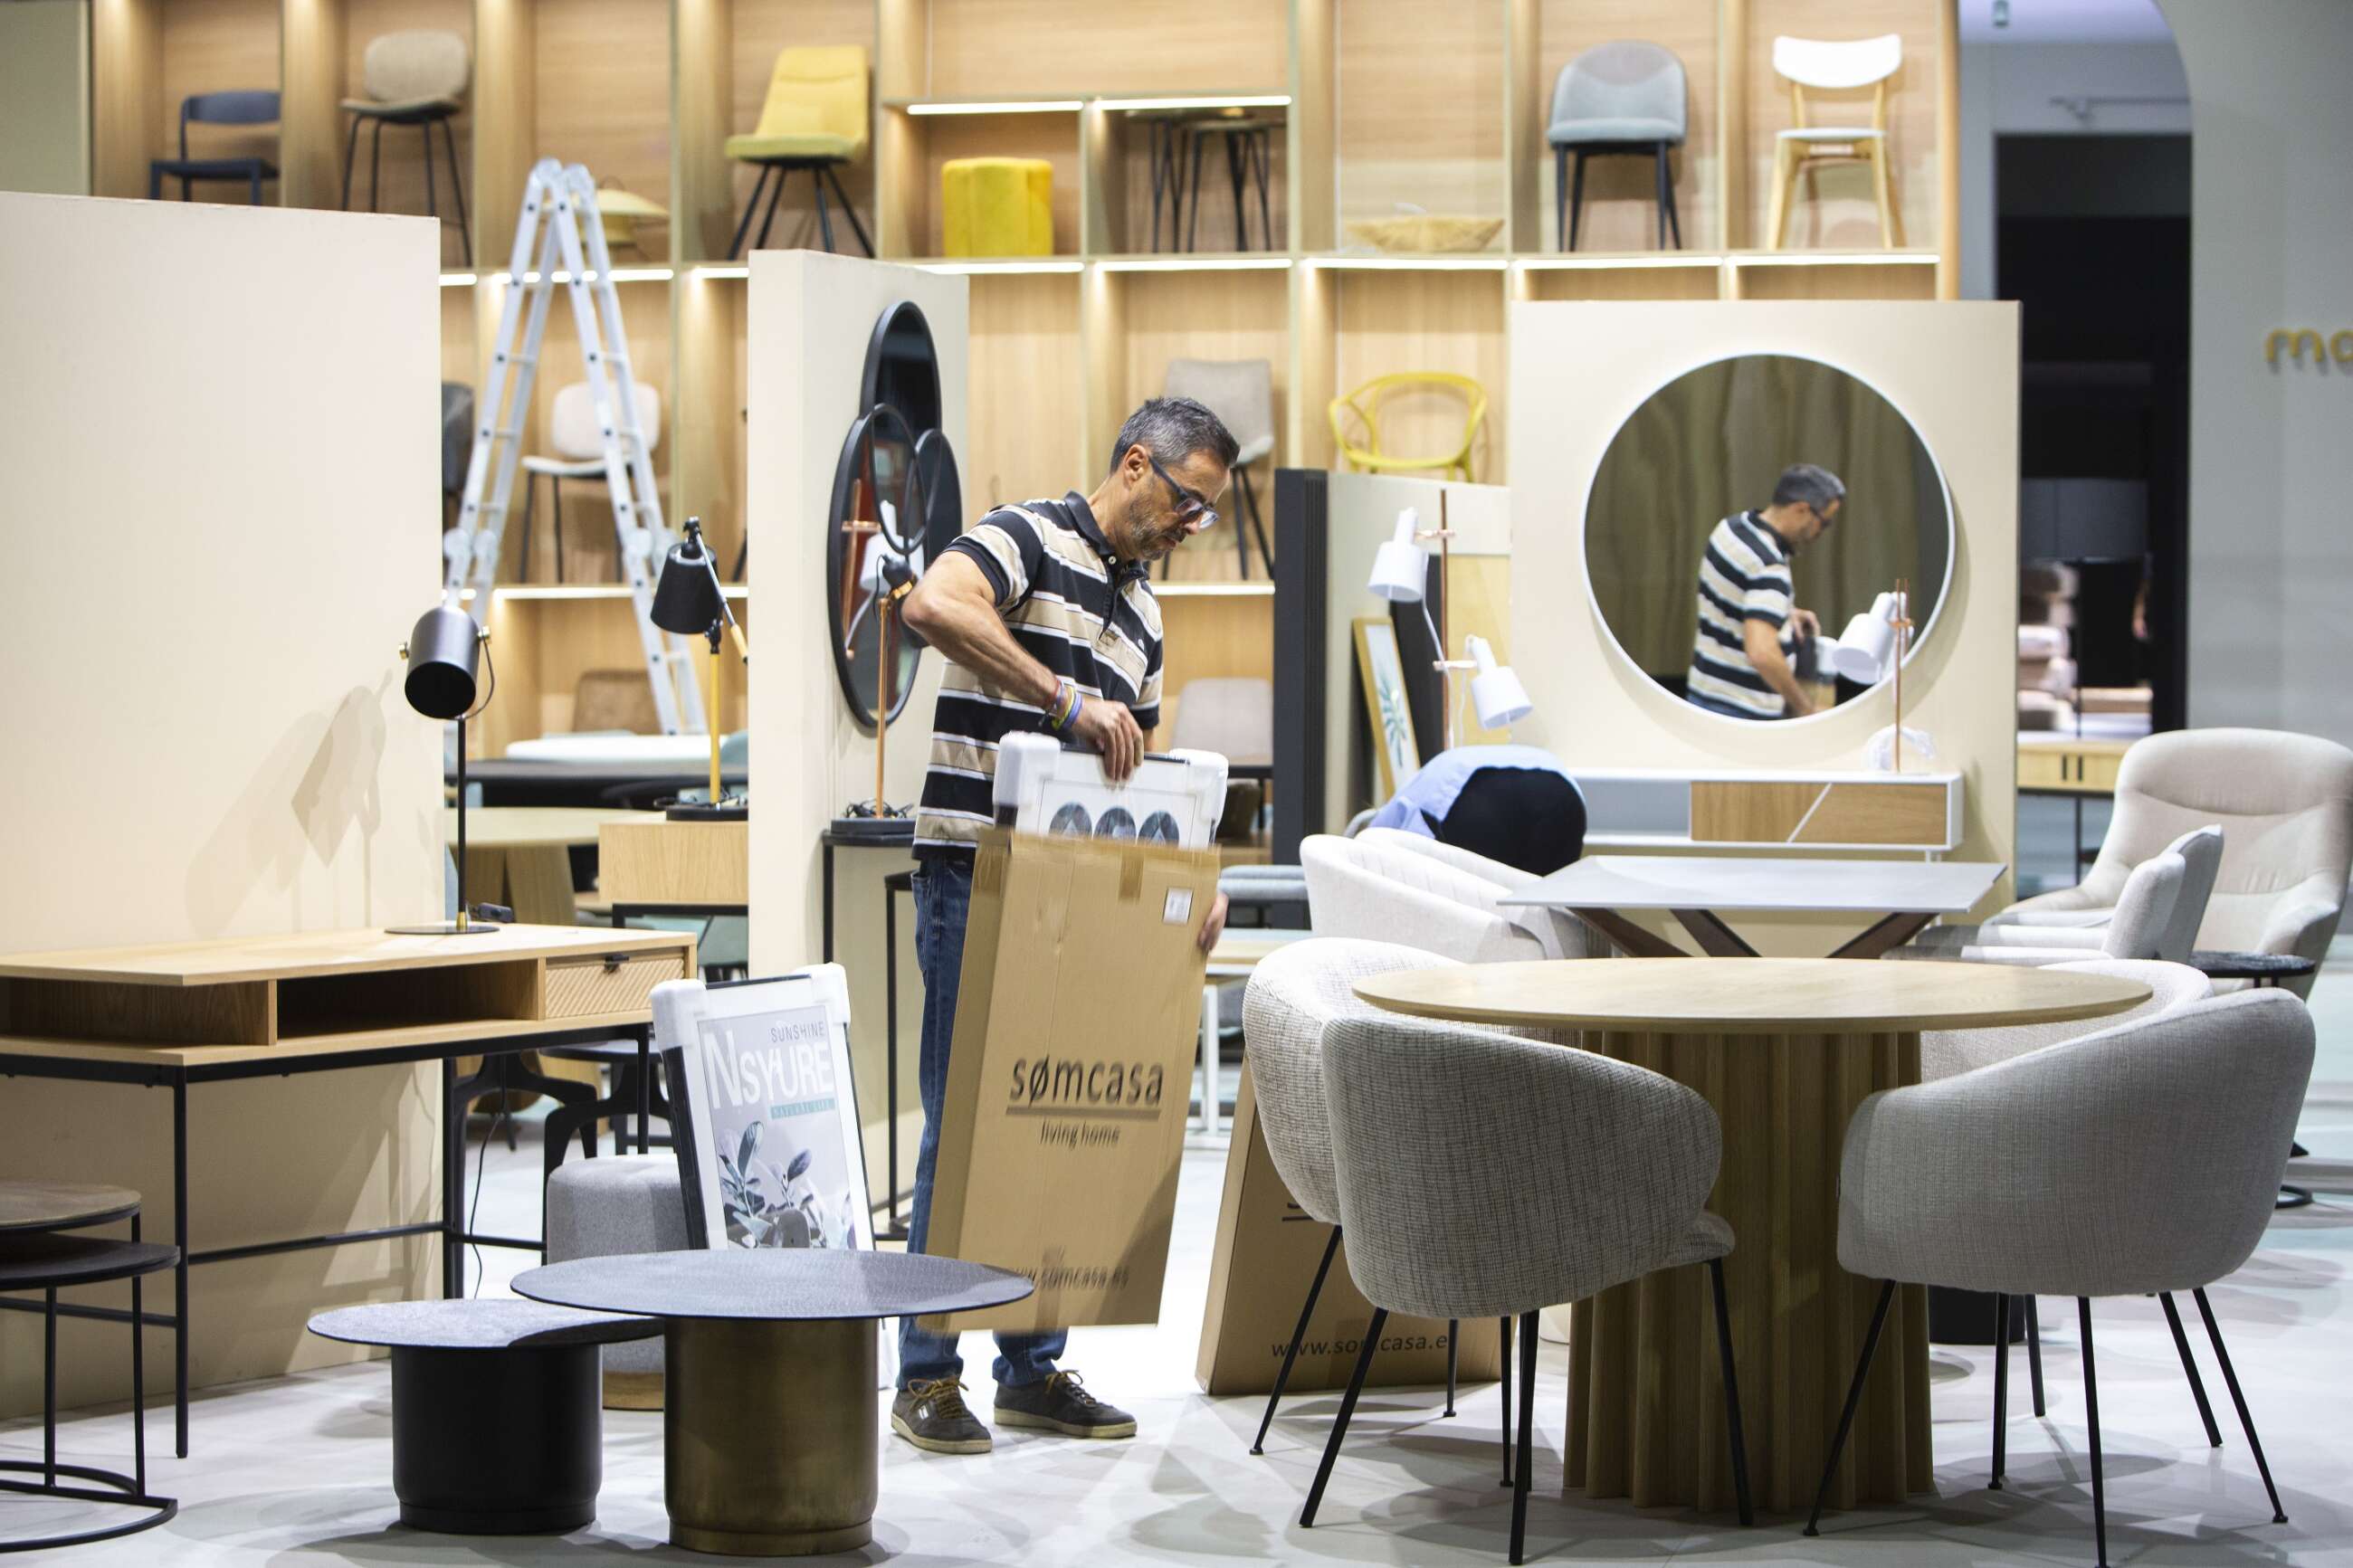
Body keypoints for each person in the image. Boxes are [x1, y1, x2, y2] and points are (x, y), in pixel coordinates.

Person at [889, 397, 1236, 1454]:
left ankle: (1032, 1366)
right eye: (1187, 503)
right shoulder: (1024, 535)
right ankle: (925, 1371)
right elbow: (931, 604)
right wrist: (1060, 701)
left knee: (1052, 1126)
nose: (1192, 527)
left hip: (1083, 892)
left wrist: (1191, 875)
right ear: (1136, 465)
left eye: (1206, 515)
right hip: (978, 872)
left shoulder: (1146, 618)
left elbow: (1145, 777)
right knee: (964, 1128)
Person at [1685, 463, 1844, 720]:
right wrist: (1804, 706)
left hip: (1703, 693)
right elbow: (1761, 652)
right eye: (1823, 522)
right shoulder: (1769, 566)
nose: (1820, 532)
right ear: (1802, 509)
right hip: (1744, 712)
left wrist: (1782, 611)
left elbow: (1732, 596)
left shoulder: (1731, 529)